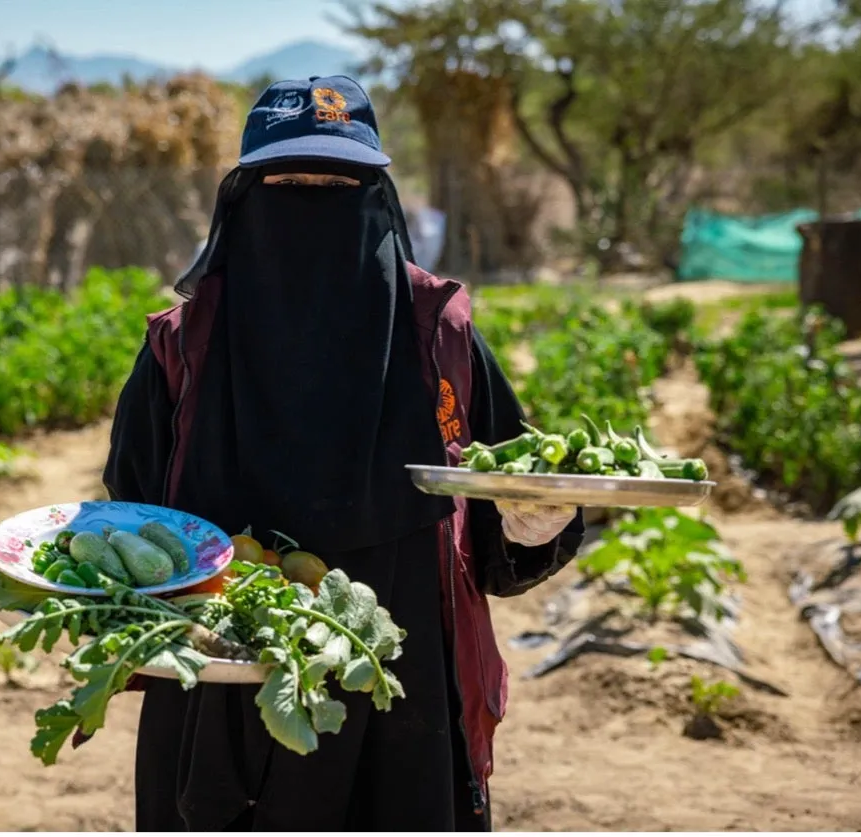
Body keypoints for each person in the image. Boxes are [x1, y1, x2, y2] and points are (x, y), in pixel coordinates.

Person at [103, 75, 584, 832]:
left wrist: (539, 521)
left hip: (405, 699)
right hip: (227, 691)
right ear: (245, 198)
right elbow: (132, 525)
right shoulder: (180, 347)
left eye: (340, 183)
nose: (313, 204)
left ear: (377, 197)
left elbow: (498, 525)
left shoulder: (440, 335)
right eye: (288, 183)